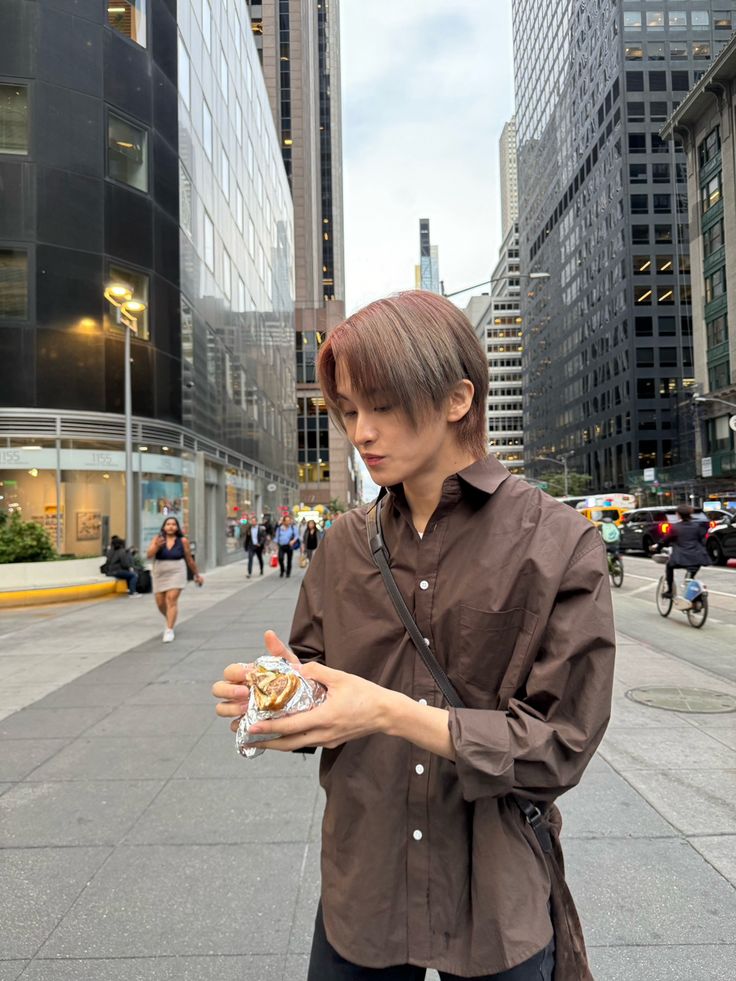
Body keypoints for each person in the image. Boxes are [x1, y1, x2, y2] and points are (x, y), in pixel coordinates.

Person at [213, 291, 615, 981]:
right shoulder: (342, 547)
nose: (361, 431)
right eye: (348, 410)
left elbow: (561, 745)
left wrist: (391, 711)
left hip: (495, 897)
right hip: (364, 889)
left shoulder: (556, 544)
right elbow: (319, 686)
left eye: (383, 405)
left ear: (458, 398)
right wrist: (278, 701)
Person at [146, 516, 203, 642]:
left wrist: (196, 575)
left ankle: (169, 630)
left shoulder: (182, 541)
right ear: (164, 527)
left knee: (171, 599)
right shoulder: (158, 539)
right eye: (168, 524)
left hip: (177, 570)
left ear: (177, 527)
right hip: (159, 571)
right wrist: (156, 546)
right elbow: (149, 555)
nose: (170, 526)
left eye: (173, 524)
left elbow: (189, 559)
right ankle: (170, 618)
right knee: (160, 603)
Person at [655, 503, 711, 599]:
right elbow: (703, 540)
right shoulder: (698, 526)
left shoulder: (675, 528)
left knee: (669, 566)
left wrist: (657, 546)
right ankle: (694, 596)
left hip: (681, 558)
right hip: (698, 558)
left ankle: (669, 591)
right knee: (690, 578)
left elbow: (666, 540)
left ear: (678, 514)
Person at [274, 514, 299, 578]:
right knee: (280, 558)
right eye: (286, 520)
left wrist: (293, 541)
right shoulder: (279, 529)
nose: (288, 522)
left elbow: (296, 536)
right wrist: (276, 546)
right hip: (281, 546)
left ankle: (288, 573)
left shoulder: (293, 528)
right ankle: (282, 570)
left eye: (289, 520)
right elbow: (276, 537)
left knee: (289, 560)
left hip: (289, 546)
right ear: (283, 521)